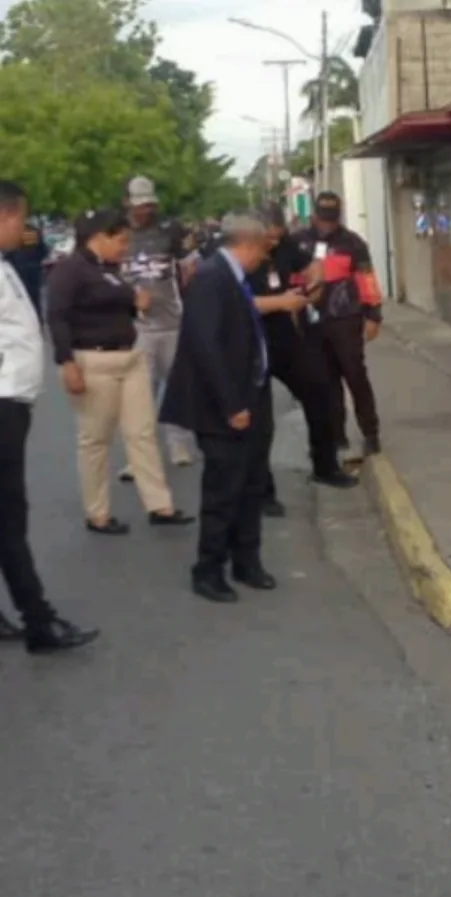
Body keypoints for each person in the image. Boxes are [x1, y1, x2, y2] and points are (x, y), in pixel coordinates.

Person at [47, 208, 193, 535]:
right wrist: (66, 362)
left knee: (142, 432)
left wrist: (136, 304)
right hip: (93, 359)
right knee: (96, 440)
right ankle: (97, 512)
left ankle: (160, 505)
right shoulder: (70, 271)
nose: (125, 248)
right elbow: (57, 317)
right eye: (121, 241)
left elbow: (121, 303)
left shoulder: (111, 270)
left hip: (129, 357)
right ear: (100, 237)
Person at [0, 180, 98, 653]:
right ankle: (38, 620)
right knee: (8, 516)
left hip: (13, 401)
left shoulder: (6, 264)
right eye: (21, 219)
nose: (24, 228)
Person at [160, 211, 278, 603]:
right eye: (262, 249)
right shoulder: (212, 279)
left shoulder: (235, 278)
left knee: (251, 485)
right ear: (248, 244)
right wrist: (232, 404)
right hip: (223, 406)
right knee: (224, 490)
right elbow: (206, 346)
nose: (264, 257)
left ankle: (247, 560)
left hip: (251, 395)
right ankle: (208, 570)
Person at [250, 203, 358, 516]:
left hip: (285, 335)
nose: (273, 244)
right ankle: (261, 492)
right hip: (250, 342)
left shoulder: (287, 246)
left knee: (320, 391)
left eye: (277, 237)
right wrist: (280, 302)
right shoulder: (236, 254)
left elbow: (311, 263)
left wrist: (315, 276)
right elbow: (236, 302)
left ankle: (325, 466)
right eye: (268, 238)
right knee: (259, 421)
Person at [295, 191, 384, 459]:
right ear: (314, 215)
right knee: (326, 380)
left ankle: (371, 433)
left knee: (355, 375)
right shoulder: (299, 242)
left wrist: (373, 315)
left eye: (332, 220)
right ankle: (337, 435)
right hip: (311, 320)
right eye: (323, 219)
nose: (327, 225)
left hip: (346, 319)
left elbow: (367, 279)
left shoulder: (352, 243)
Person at [118, 175, 198, 474]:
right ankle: (138, 456)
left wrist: (189, 282)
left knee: (177, 387)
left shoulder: (169, 232)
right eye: (140, 205)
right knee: (139, 395)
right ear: (128, 204)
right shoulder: (119, 234)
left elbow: (190, 265)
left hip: (172, 321)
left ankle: (179, 443)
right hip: (136, 328)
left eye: (149, 205)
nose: (145, 211)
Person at [7, 215, 48, 320]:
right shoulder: (34, 231)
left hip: (18, 271)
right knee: (35, 301)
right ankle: (37, 320)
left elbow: (8, 254)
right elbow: (44, 251)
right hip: (34, 272)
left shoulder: (13, 233)